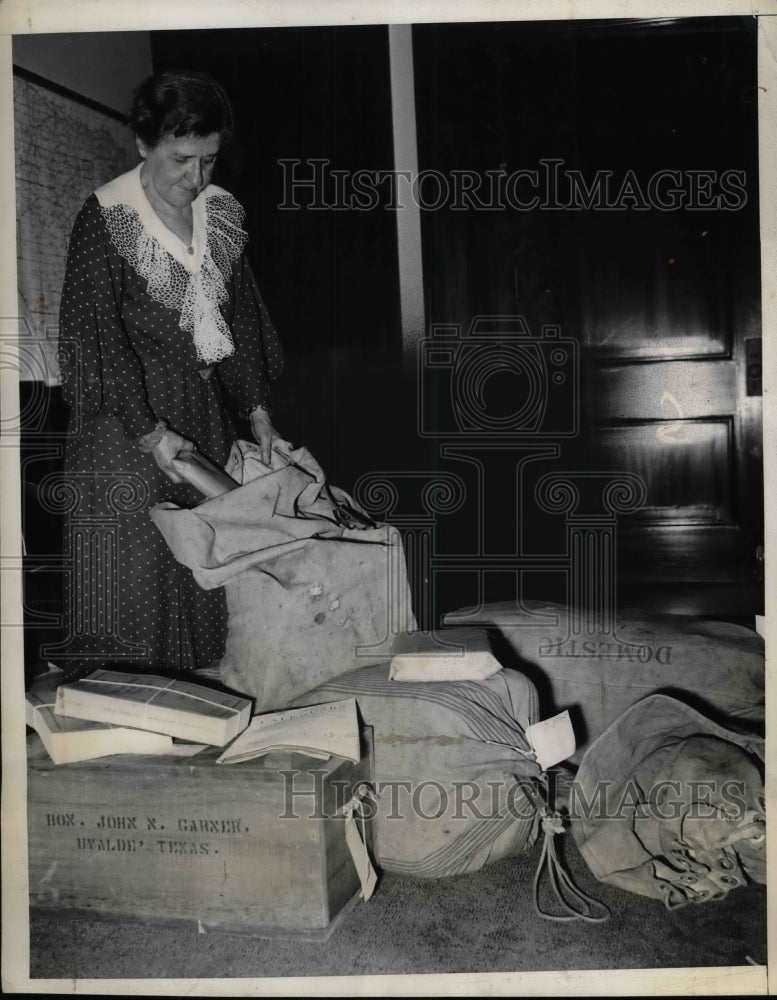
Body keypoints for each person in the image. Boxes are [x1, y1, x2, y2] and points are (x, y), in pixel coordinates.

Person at [55, 70, 283, 679]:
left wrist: (257, 410)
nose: (196, 177)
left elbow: (239, 319)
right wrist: (149, 432)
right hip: (122, 432)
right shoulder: (105, 217)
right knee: (134, 593)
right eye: (181, 159)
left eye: (208, 160)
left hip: (201, 421)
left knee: (204, 581)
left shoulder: (220, 215)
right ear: (143, 145)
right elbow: (94, 337)